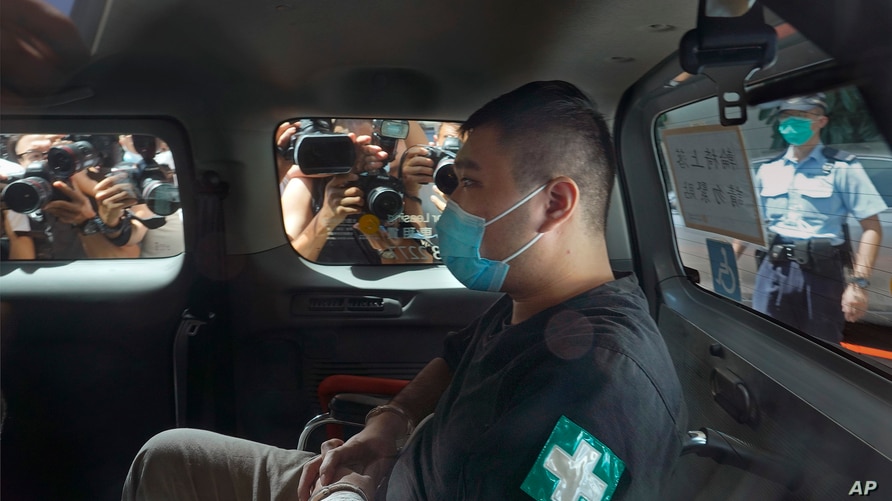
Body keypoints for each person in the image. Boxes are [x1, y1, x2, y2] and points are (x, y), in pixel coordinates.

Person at [122, 81, 687, 501]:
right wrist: (392, 423)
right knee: (168, 458)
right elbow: (454, 357)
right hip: (387, 476)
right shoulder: (533, 304)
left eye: (468, 182)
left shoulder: (600, 387)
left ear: (554, 204)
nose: (453, 205)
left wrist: (350, 495)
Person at [748, 94, 886, 343]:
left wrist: (858, 284)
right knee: (765, 342)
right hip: (772, 269)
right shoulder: (768, 170)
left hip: (820, 275)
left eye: (801, 116)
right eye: (786, 116)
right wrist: (726, 261)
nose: (792, 122)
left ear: (821, 120)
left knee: (820, 350)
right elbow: (751, 224)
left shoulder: (843, 167)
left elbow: (872, 227)